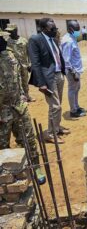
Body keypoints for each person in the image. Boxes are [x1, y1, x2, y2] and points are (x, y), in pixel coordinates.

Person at [0, 29, 46, 184]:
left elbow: (19, 76)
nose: (4, 42)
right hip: (1, 110)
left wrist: (22, 94)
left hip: (18, 105)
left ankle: (35, 167)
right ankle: (6, 175)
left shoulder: (10, 54)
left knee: (28, 138)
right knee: (2, 144)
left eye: (4, 39)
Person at [28, 18, 69, 144]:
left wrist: (62, 72)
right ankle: (51, 134)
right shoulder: (35, 40)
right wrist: (41, 83)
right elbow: (35, 63)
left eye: (55, 28)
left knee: (58, 104)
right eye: (52, 28)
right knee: (55, 106)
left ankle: (56, 127)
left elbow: (58, 56)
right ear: (43, 29)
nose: (55, 30)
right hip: (47, 78)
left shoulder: (54, 39)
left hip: (58, 75)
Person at [61, 20, 87, 118]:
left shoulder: (72, 38)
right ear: (70, 29)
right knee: (72, 89)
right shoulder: (68, 41)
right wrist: (73, 72)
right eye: (76, 29)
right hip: (72, 71)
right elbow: (66, 59)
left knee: (77, 88)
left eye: (78, 29)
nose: (78, 31)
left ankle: (76, 106)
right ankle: (73, 111)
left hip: (76, 70)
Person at [5, 23, 35, 102]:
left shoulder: (24, 40)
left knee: (25, 81)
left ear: (16, 30)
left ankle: (27, 95)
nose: (9, 33)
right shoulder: (7, 42)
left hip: (24, 65)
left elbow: (29, 52)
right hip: (13, 66)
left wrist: (30, 63)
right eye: (8, 31)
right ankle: (20, 98)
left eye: (11, 31)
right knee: (17, 82)